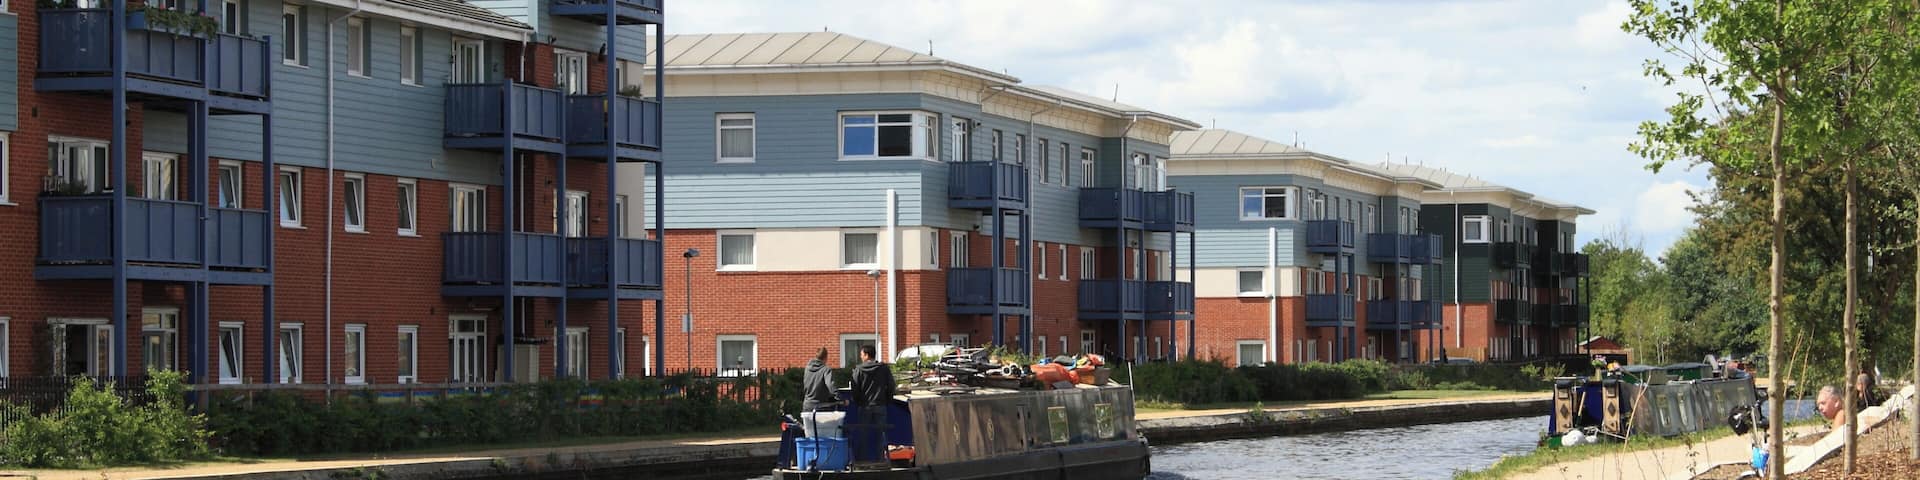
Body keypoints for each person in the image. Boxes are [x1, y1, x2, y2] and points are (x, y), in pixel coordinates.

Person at [849, 345, 895, 466]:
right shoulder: (884, 368)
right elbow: (891, 385)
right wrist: (887, 400)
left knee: (863, 434)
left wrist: (858, 402)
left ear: (866, 355)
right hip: (881, 405)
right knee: (881, 434)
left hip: (864, 406)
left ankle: (863, 462)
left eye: (861, 354)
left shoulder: (858, 370)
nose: (860, 356)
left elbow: (855, 389)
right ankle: (881, 460)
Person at [802, 348, 839, 412]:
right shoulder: (826, 369)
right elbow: (830, 385)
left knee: (809, 422)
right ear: (825, 357)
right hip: (821, 406)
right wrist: (838, 397)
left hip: (807, 405)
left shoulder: (807, 368)